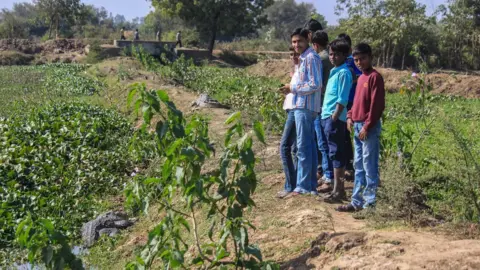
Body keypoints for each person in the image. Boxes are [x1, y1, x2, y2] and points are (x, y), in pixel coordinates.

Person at [336, 43, 385, 212]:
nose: (359, 62)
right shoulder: (361, 77)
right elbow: (356, 102)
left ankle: (369, 204)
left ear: (370, 57)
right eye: (356, 59)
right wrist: (349, 116)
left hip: (367, 128)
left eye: (362, 58)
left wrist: (367, 126)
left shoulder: (374, 77)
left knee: (369, 165)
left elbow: (376, 106)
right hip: (356, 126)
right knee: (358, 165)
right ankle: (356, 201)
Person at [280, 28, 322, 195]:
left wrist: (293, 87)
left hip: (305, 106)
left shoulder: (311, 58)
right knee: (308, 146)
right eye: (294, 42)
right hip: (300, 105)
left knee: (303, 147)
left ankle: (303, 186)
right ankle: (309, 185)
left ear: (308, 40)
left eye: (299, 41)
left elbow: (315, 84)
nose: (296, 45)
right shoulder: (304, 58)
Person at [319, 38, 353, 203]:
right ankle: (337, 190)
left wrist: (334, 115)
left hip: (334, 118)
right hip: (326, 116)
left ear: (345, 55)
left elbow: (342, 98)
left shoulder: (344, 73)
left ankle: (339, 191)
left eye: (337, 54)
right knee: (332, 153)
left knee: (337, 153)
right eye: (331, 54)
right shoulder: (334, 71)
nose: (332, 57)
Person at [311, 30, 334, 192]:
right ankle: (328, 173)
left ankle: (328, 175)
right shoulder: (330, 57)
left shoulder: (321, 58)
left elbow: (316, 82)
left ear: (315, 44)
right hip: (328, 103)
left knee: (322, 142)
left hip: (322, 103)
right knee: (327, 141)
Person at [337, 33, 361, 178]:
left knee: (347, 134)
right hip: (344, 101)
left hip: (351, 101)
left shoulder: (352, 61)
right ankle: (347, 165)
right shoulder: (341, 62)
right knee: (344, 134)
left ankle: (350, 166)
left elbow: (359, 76)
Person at [277, 46, 300, 198]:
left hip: (295, 109)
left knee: (285, 147)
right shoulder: (297, 70)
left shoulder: (303, 68)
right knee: (294, 149)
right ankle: (294, 183)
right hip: (291, 108)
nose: (293, 57)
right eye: (291, 54)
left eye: (296, 54)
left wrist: (290, 87)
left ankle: (290, 185)